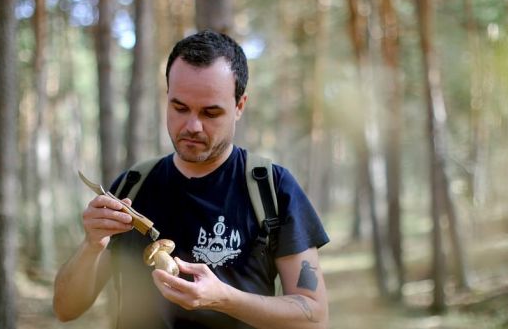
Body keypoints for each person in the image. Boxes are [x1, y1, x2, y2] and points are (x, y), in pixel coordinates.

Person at [53, 30, 330, 329]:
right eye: (180, 107)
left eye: (210, 112)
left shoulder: (271, 188)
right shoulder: (132, 186)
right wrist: (92, 244)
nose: (192, 125)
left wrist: (224, 298)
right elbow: (66, 309)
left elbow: (314, 318)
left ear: (239, 106)